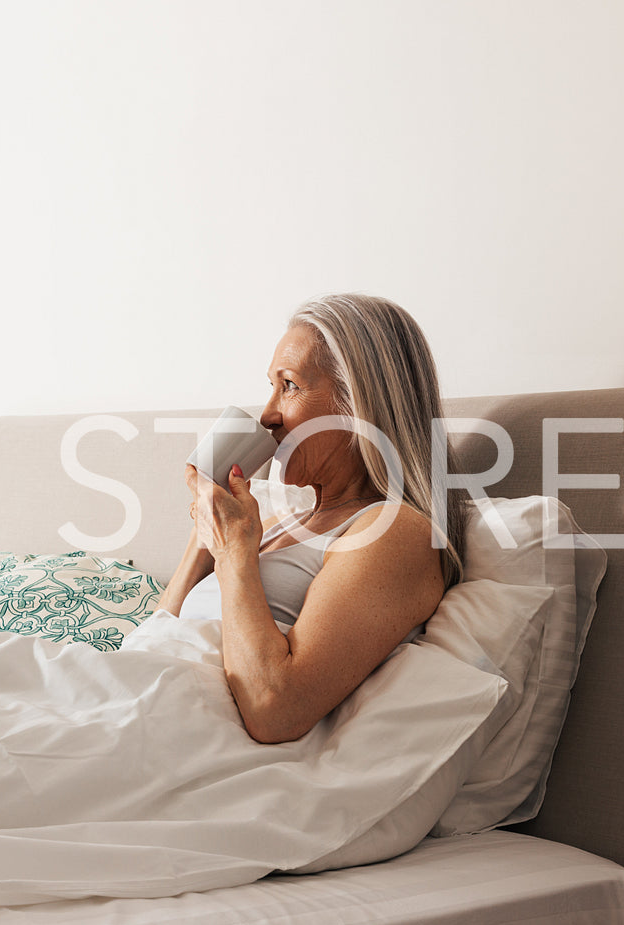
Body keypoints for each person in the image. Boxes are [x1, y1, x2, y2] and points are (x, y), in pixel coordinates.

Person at [155, 293, 468, 745]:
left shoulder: (393, 529)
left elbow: (274, 709)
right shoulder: (283, 526)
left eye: (290, 385)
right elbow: (156, 638)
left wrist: (234, 553)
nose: (267, 415)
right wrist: (207, 531)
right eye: (271, 386)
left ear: (358, 402)